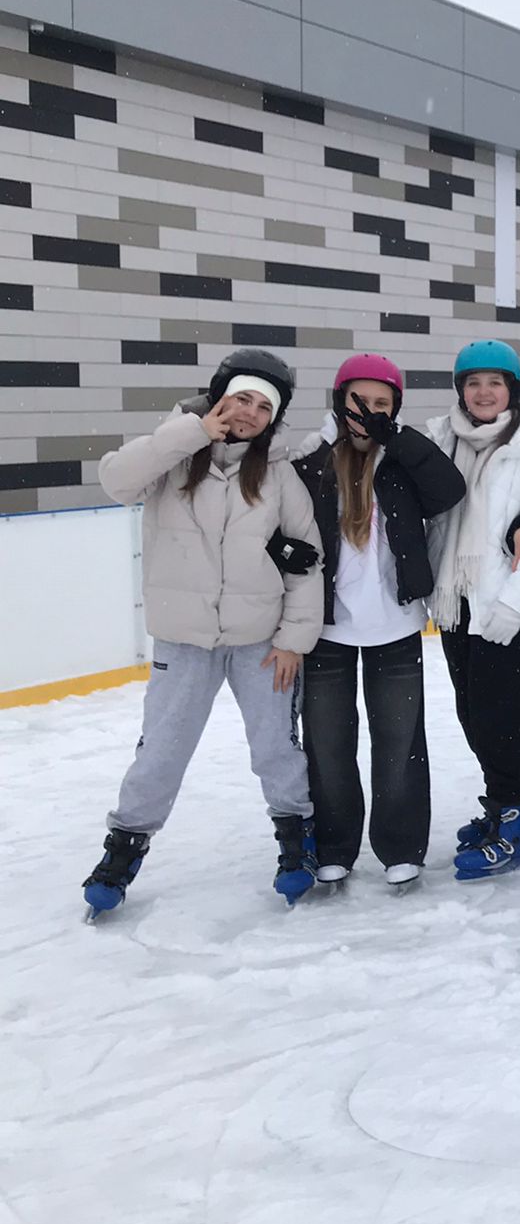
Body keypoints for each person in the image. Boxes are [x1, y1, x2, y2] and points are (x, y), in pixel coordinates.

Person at [82, 348, 324, 916]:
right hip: (184, 641)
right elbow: (115, 480)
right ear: (220, 395)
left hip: (261, 643)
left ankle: (296, 842)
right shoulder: (172, 451)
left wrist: (294, 638)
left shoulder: (280, 473)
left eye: (264, 406)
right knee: (161, 752)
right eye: (242, 398)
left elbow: (305, 559)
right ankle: (124, 848)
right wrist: (192, 431)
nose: (249, 413)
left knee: (275, 749)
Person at [293, 354, 464, 890]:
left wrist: (399, 438)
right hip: (325, 629)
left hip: (394, 625)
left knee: (399, 741)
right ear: (338, 401)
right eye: (357, 401)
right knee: (327, 742)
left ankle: (400, 845)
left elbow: (448, 490)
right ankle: (334, 844)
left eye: (381, 404)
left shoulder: (402, 460)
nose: (367, 412)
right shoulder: (310, 460)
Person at [424, 340, 520, 880]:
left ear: (512, 389)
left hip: (511, 610)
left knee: (497, 718)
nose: (484, 393)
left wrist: (513, 605)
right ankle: (505, 803)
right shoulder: (440, 437)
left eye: (495, 382)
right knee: (471, 714)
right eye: (473, 382)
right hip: (456, 602)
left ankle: (511, 822)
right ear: (461, 389)